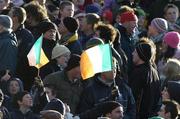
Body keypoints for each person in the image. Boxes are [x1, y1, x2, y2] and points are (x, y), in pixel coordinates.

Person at [129, 37, 161, 118]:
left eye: (135, 52)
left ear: (140, 54)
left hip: (139, 115)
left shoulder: (139, 72)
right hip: (151, 115)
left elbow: (133, 96)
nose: (132, 54)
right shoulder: (154, 71)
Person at [8, 6, 35, 91]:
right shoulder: (6, 33)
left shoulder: (26, 35)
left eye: (9, 15)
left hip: (19, 75)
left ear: (15, 18)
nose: (7, 16)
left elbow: (25, 57)